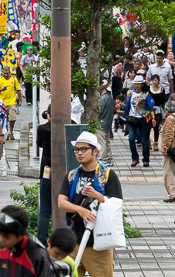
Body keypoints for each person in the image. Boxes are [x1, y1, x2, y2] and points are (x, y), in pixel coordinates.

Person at [58, 131, 123, 277]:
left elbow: (116, 205)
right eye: (77, 150)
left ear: (95, 151)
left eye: (83, 149)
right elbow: (61, 202)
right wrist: (79, 210)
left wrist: (97, 196)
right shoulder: (72, 175)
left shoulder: (107, 175)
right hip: (73, 242)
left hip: (99, 244)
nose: (79, 153)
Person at [124, 75, 156, 167]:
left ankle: (146, 159)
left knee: (144, 140)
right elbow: (127, 105)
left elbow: (151, 107)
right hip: (132, 119)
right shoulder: (129, 93)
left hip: (142, 118)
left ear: (142, 84)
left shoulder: (146, 94)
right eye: (135, 84)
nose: (137, 85)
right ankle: (135, 158)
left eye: (138, 84)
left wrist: (153, 118)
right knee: (131, 138)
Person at [36, 104, 53, 245]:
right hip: (66, 172)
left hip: (47, 170)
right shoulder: (71, 125)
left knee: (45, 211)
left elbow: (40, 144)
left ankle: (42, 241)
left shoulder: (43, 129)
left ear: (48, 114)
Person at [0, 66, 22, 140]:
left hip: (12, 102)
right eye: (4, 73)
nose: (6, 75)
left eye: (7, 73)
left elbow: (18, 90)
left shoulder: (13, 79)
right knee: (3, 119)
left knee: (12, 118)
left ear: (9, 72)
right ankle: (4, 132)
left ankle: (11, 131)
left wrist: (20, 100)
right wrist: (1, 89)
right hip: (2, 103)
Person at [97, 85, 115, 166]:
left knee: (102, 141)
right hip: (108, 123)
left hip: (101, 123)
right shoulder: (110, 98)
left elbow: (99, 111)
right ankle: (109, 158)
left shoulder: (103, 98)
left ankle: (103, 159)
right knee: (107, 141)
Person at [161, 100, 175, 203]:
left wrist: (165, 148)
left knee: (169, 172)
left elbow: (169, 135)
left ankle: (172, 194)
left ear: (167, 110)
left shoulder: (170, 119)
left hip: (171, 149)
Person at [149, 74, 167, 151]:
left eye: (155, 80)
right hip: (150, 110)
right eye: (153, 80)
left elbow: (163, 101)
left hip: (158, 110)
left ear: (159, 81)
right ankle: (148, 142)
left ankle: (156, 143)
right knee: (148, 126)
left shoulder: (162, 89)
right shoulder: (149, 89)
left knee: (156, 126)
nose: (154, 82)